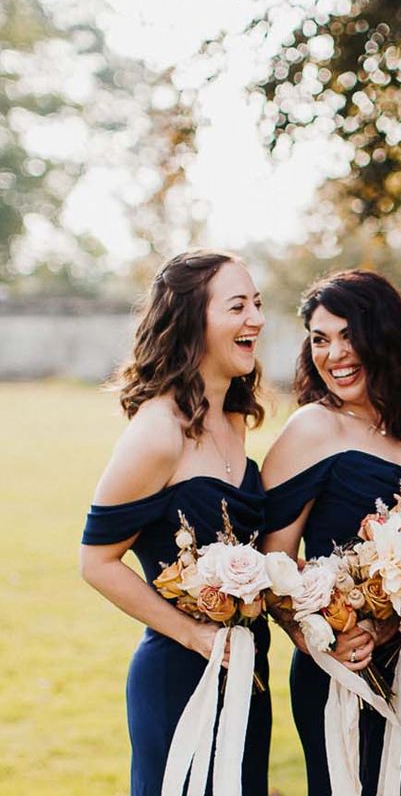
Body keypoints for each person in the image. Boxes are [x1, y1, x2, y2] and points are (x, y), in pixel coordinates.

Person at [80, 250, 270, 796]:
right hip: (179, 675)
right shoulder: (158, 431)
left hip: (248, 673)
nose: (255, 318)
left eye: (257, 304)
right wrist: (194, 634)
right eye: (238, 306)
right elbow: (96, 561)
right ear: (193, 320)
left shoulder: (233, 416)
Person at [262, 269, 401, 796]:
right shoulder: (312, 428)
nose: (334, 354)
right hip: (345, 669)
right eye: (320, 339)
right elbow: (273, 561)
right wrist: (318, 638)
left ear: (383, 335)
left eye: (347, 336)